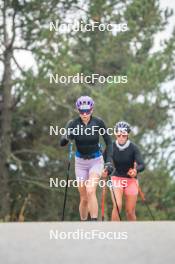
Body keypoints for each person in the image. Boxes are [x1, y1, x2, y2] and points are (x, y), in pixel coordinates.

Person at [60, 96, 113, 221]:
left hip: (96, 161)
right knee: (83, 198)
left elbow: (109, 143)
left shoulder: (98, 123)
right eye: (82, 111)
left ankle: (94, 222)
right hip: (80, 163)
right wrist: (68, 136)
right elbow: (62, 143)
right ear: (78, 110)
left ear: (92, 110)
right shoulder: (72, 124)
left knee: (90, 190)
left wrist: (109, 161)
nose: (84, 114)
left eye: (87, 111)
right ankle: (83, 223)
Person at [105, 121, 145, 221]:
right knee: (117, 206)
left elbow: (142, 164)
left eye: (124, 135)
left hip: (131, 180)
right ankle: (115, 233)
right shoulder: (111, 146)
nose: (121, 137)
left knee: (130, 211)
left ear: (127, 135)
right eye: (119, 135)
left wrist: (136, 170)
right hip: (116, 178)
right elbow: (104, 159)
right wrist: (105, 168)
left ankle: (132, 233)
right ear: (115, 134)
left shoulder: (134, 148)